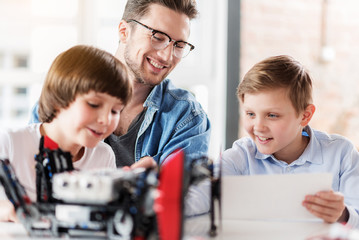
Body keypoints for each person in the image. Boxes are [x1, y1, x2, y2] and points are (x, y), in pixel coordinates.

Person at [30, 0, 211, 168]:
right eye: (157, 37)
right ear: (124, 32)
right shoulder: (63, 96)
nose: (167, 56)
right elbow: (30, 179)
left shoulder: (186, 117)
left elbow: (188, 197)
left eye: (179, 45)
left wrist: (154, 187)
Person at [221, 55, 359, 227]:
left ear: (305, 115)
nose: (258, 127)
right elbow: (202, 200)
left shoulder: (341, 154)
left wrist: (343, 214)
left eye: (272, 115)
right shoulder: (239, 157)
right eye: (251, 114)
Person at [0, 45, 132, 222]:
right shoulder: (10, 142)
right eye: (93, 104)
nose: (106, 120)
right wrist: (11, 211)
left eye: (115, 111)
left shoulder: (103, 155)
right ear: (57, 101)